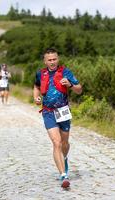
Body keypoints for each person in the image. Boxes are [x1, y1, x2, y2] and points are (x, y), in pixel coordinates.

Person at [33, 48, 82, 189]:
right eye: (49, 60)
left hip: (63, 111)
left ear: (58, 59)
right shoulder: (40, 74)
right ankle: (63, 175)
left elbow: (79, 89)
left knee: (65, 143)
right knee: (57, 142)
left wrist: (71, 85)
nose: (52, 62)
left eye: (54, 59)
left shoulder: (66, 72)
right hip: (48, 112)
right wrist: (36, 97)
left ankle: (64, 158)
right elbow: (36, 87)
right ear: (45, 61)